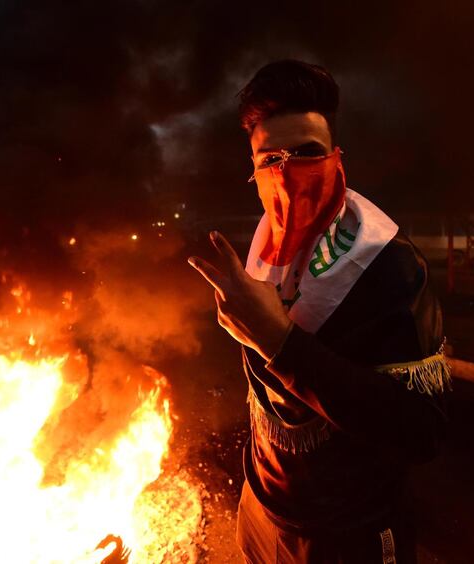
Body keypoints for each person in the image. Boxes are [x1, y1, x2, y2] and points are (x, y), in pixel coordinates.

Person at [188, 60, 450, 563]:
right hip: (262, 513)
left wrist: (279, 342)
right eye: (270, 160)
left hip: (348, 534)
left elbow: (420, 431)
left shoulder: (389, 264)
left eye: (307, 153)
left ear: (336, 157)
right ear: (255, 171)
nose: (287, 174)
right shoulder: (264, 249)